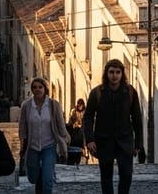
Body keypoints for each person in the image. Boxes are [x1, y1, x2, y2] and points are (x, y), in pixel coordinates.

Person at [83, 59, 145, 194]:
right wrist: (90, 140)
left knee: (127, 175)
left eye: (118, 72)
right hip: (104, 141)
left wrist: (138, 143)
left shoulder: (130, 93)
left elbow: (137, 120)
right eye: (111, 72)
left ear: (122, 74)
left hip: (125, 141)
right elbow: (87, 117)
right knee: (106, 177)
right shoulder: (97, 93)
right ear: (107, 73)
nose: (115, 75)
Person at [18, 77, 71, 194]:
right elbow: (22, 127)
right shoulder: (26, 106)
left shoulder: (53, 105)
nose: (37, 90)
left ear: (44, 89)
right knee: (32, 177)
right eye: (34, 87)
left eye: (40, 87)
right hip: (32, 146)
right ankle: (39, 179)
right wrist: (22, 144)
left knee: (48, 178)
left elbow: (60, 124)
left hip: (49, 145)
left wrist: (65, 138)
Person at [67, 98, 87, 164]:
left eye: (81, 104)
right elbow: (70, 122)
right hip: (75, 133)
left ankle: (85, 154)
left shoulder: (86, 112)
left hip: (83, 132)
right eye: (79, 104)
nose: (80, 106)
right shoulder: (74, 111)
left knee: (84, 142)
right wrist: (74, 124)